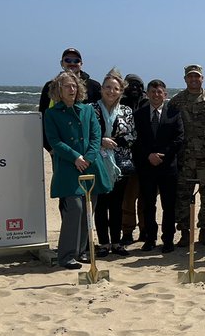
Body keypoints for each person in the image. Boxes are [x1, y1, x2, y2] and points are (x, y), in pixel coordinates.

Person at [42, 70, 107, 269]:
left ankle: (80, 251)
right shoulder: (51, 113)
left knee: (89, 208)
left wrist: (87, 157)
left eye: (74, 86)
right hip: (68, 167)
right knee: (75, 209)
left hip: (91, 166)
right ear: (58, 90)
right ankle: (66, 255)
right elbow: (54, 141)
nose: (72, 89)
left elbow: (96, 136)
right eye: (67, 86)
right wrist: (75, 157)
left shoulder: (88, 110)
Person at [133, 79, 185, 252]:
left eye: (159, 92)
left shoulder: (173, 113)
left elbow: (179, 138)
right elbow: (135, 139)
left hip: (168, 166)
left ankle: (168, 239)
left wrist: (163, 155)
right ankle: (150, 238)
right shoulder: (138, 114)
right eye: (153, 92)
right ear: (147, 94)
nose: (156, 95)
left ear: (165, 94)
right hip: (146, 166)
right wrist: (149, 155)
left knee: (168, 206)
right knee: (148, 205)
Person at [91, 69, 137, 256]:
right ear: (102, 89)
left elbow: (132, 136)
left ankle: (117, 243)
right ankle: (103, 244)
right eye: (108, 87)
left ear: (121, 91)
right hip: (98, 163)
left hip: (120, 164)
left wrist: (113, 143)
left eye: (115, 88)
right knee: (101, 205)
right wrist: (101, 140)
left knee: (118, 205)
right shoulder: (91, 109)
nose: (111, 91)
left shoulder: (126, 111)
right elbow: (86, 135)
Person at [169, 64, 205, 247]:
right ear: (185, 79)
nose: (194, 80)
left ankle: (204, 232)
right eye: (190, 77)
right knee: (183, 197)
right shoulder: (176, 101)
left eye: (197, 77)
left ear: (202, 78)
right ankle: (185, 233)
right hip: (185, 157)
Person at [39, 48, 101, 151]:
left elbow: (100, 118)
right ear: (62, 63)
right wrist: (49, 147)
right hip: (61, 147)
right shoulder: (50, 86)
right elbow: (43, 117)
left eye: (76, 61)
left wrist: (97, 144)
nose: (72, 63)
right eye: (68, 60)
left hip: (88, 147)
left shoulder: (94, 86)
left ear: (81, 63)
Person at [118, 73, 146, 244]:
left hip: (146, 160)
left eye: (137, 85)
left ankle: (145, 231)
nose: (134, 88)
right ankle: (127, 232)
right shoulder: (120, 104)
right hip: (126, 160)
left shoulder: (148, 102)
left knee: (145, 199)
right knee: (127, 200)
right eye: (130, 85)